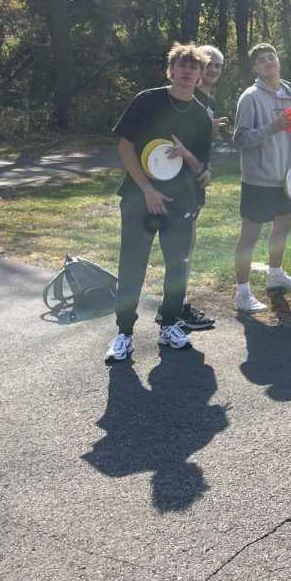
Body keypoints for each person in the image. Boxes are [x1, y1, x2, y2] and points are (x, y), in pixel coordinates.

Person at [105, 43, 213, 363]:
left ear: (200, 75)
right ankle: (124, 333)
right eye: (181, 64)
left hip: (180, 202)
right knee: (132, 264)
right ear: (171, 70)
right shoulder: (147, 100)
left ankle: (169, 325)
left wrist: (187, 154)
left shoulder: (201, 116)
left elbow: (200, 168)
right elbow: (125, 148)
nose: (187, 71)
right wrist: (148, 191)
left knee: (177, 265)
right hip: (140, 198)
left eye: (194, 67)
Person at [231, 43, 291, 313]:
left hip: (286, 180)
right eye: (261, 61)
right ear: (255, 68)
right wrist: (273, 127)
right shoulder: (250, 98)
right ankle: (242, 293)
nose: (268, 63)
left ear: (278, 60)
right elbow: (240, 140)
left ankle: (275, 275)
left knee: (282, 228)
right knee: (250, 236)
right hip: (258, 181)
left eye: (271, 57)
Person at [159, 43, 228, 332]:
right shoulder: (185, 97)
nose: (212, 69)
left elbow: (201, 143)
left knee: (189, 244)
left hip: (196, 177)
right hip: (178, 183)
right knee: (181, 248)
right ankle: (175, 308)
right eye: (208, 63)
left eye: (217, 65)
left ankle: (177, 304)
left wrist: (208, 166)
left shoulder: (206, 100)